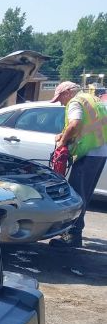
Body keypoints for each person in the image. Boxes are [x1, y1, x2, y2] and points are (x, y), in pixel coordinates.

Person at [49, 81, 107, 248]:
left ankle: (72, 236)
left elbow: (75, 123)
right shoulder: (93, 99)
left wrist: (63, 142)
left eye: (60, 98)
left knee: (76, 195)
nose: (61, 102)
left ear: (68, 92)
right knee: (84, 194)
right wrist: (64, 134)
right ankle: (74, 233)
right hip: (100, 151)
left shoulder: (75, 101)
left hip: (88, 152)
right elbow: (91, 126)